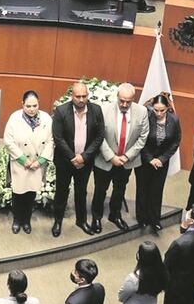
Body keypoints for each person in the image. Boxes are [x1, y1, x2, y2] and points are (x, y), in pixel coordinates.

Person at [92, 83, 150, 232]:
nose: (124, 104)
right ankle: (96, 217)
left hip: (126, 161)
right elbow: (99, 136)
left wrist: (126, 156)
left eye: (128, 101)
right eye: (122, 100)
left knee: (120, 189)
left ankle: (115, 214)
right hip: (105, 159)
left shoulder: (142, 111)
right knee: (100, 189)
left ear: (133, 99)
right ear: (117, 96)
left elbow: (143, 137)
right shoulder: (104, 110)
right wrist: (111, 157)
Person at [51, 82, 105, 237]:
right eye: (78, 96)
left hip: (85, 162)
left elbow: (99, 136)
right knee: (62, 191)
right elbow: (58, 138)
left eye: (84, 96)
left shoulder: (96, 110)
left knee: (81, 191)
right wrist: (73, 157)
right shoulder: (61, 111)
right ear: (72, 96)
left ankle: (81, 220)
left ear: (88, 95)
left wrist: (84, 157)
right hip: (65, 161)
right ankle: (58, 221)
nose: (81, 99)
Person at [4, 91, 53, 234]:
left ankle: (26, 220)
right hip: (20, 162)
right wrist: (23, 160)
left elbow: (51, 141)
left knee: (31, 193)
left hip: (37, 163)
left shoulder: (46, 118)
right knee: (18, 193)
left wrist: (41, 160)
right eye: (28, 106)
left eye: (35, 105)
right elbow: (8, 141)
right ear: (22, 104)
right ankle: (17, 220)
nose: (31, 109)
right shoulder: (14, 118)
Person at [134, 94, 181, 231]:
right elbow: (140, 140)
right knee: (142, 189)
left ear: (167, 108)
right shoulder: (146, 118)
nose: (159, 113)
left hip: (162, 162)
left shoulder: (174, 120)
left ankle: (154, 219)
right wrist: (150, 159)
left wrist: (162, 159)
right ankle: (141, 218)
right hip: (144, 161)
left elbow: (176, 141)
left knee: (157, 190)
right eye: (156, 110)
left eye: (162, 110)